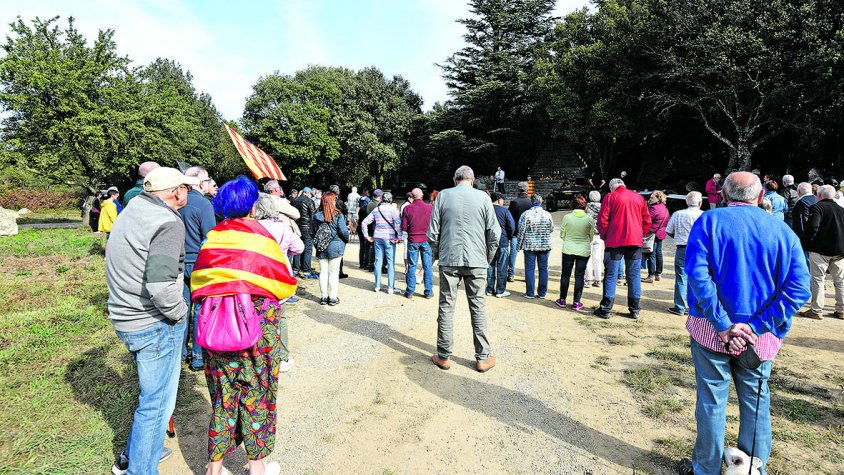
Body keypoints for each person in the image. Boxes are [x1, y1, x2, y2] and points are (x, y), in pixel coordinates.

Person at [679, 172, 810, 475]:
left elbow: (698, 276)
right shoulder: (781, 230)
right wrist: (757, 326)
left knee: (711, 403)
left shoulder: (709, 223)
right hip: (758, 338)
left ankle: (706, 469)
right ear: (761, 196)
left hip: (712, 332)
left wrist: (724, 323)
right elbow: (799, 288)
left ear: (722, 196)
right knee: (756, 404)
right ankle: (752, 470)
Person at [190, 176, 297, 475]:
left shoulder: (213, 238)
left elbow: (197, 284)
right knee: (258, 393)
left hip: (216, 328)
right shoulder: (261, 238)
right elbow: (285, 285)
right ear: (252, 205)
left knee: (223, 396)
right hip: (257, 329)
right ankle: (256, 467)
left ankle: (214, 468)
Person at [106, 167, 198, 474]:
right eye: (185, 187)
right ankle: (140, 469)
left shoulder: (134, 208)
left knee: (151, 397)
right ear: (175, 192)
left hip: (125, 316)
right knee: (157, 404)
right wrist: (181, 313)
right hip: (154, 323)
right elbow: (160, 286)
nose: (188, 192)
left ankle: (135, 456)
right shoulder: (168, 222)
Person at [428, 165, 500, 373]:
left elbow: (433, 232)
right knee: (478, 306)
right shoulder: (484, 198)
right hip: (477, 259)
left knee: (446, 305)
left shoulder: (442, 196)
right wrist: (486, 258)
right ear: (473, 179)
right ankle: (483, 357)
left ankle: (443, 356)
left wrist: (439, 255)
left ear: (454, 179)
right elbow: (494, 233)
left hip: (449, 258)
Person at [253, 193, 304, 372]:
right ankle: (282, 357)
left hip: (257, 277)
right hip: (279, 277)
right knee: (280, 318)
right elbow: (299, 247)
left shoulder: (253, 227)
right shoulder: (282, 227)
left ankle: (258, 355)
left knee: (256, 316)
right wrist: (284, 253)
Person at [594, 178, 651, 319]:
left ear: (612, 187)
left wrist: (605, 235)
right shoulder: (638, 197)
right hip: (634, 242)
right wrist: (640, 234)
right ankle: (635, 309)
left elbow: (602, 220)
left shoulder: (610, 197)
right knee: (634, 275)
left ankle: (606, 308)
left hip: (615, 242)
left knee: (611, 275)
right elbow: (647, 220)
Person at [180, 165, 217, 372]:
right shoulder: (202, 204)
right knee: (201, 310)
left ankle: (180, 353)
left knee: (182, 310)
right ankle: (197, 356)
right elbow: (210, 237)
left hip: (176, 261)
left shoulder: (176, 201)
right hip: (198, 263)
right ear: (201, 183)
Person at [798, 185, 844, 320]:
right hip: (839, 250)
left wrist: (806, 243)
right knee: (840, 280)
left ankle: (816, 310)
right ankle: (841, 309)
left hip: (820, 249)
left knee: (818, 279)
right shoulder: (841, 210)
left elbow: (813, 227)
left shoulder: (817, 208)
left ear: (819, 196)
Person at [665, 192, 703, 316]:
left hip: (682, 248)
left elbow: (669, 231)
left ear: (686, 202)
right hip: (699, 249)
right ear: (700, 203)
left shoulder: (677, 214)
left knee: (681, 277)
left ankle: (680, 307)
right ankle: (695, 306)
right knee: (698, 277)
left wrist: (679, 237)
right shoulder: (705, 215)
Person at [556, 195, 594, 311]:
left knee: (566, 274)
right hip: (583, 250)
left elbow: (562, 234)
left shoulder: (567, 217)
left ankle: (562, 299)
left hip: (568, 249)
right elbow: (591, 236)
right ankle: (576, 302)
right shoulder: (589, 219)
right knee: (579, 276)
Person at [311, 191, 349, 305]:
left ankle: (323, 297)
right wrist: (346, 240)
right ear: (333, 201)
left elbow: (312, 232)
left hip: (322, 246)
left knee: (323, 272)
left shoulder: (316, 216)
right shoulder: (338, 215)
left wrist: (317, 243)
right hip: (336, 246)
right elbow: (343, 231)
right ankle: (332, 297)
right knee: (333, 272)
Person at [361, 191, 401, 293]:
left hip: (377, 237)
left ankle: (377, 286)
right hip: (390, 238)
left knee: (378, 261)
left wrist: (367, 236)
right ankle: (390, 287)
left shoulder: (376, 209)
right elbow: (398, 224)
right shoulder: (393, 210)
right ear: (391, 199)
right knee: (390, 262)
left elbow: (364, 222)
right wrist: (399, 237)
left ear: (382, 199)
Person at [518, 194, 553, 299]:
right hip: (544, 245)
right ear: (541, 202)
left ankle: (530, 292)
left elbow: (521, 231)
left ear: (531, 202)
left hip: (530, 245)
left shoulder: (526, 214)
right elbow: (551, 229)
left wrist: (518, 246)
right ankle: (542, 293)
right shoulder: (547, 214)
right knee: (543, 269)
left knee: (529, 269)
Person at [402, 187, 434, 299]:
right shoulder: (430, 208)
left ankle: (410, 291)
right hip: (425, 240)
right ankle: (428, 291)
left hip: (413, 240)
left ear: (412, 196)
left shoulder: (407, 208)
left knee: (412, 266)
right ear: (422, 196)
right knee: (427, 266)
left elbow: (404, 227)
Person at [486, 192, 515, 298]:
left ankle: (489, 289)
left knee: (490, 266)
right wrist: (509, 236)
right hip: (502, 241)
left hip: (489, 242)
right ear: (499, 200)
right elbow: (511, 226)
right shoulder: (504, 211)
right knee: (502, 267)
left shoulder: (487, 210)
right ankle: (500, 290)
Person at [642, 190, 670, 283]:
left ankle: (651, 275)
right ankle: (658, 274)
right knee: (658, 253)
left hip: (653, 233)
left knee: (651, 254)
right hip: (661, 233)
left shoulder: (654, 208)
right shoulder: (664, 208)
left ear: (658, 198)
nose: (650, 199)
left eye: (652, 197)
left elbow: (647, 220)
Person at [507, 181, 532, 282]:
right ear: (527, 190)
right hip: (528, 232)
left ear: (518, 190)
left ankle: (511, 274)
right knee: (529, 255)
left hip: (516, 232)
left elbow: (509, 218)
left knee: (513, 253)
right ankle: (528, 275)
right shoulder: (531, 202)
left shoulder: (514, 202)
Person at [291, 187, 318, 278]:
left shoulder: (294, 201)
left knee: (297, 249)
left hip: (296, 228)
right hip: (307, 228)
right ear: (307, 193)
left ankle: (295, 269)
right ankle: (306, 271)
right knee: (307, 249)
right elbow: (313, 215)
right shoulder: (309, 201)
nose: (311, 196)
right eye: (311, 194)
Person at [329, 184, 350, 279]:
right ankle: (339, 271)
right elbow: (345, 212)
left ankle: (334, 270)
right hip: (338, 228)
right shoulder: (340, 202)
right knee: (339, 252)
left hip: (328, 229)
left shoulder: (326, 200)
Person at [584, 190, 604, 287]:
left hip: (588, 235)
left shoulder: (586, 207)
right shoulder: (603, 207)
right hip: (599, 235)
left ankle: (589, 279)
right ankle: (598, 279)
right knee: (597, 258)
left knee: (588, 258)